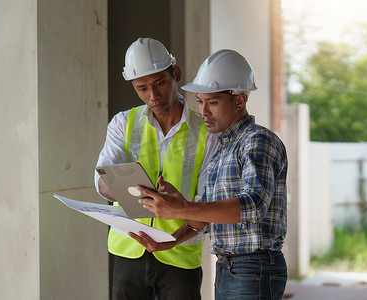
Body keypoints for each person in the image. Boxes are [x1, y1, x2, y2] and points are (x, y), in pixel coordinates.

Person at [137, 49, 288, 299]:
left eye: (213, 102)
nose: (204, 111)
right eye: (200, 101)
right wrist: (171, 239)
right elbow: (205, 217)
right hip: (230, 267)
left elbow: (253, 206)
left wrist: (182, 208)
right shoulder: (223, 148)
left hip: (253, 265)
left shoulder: (257, 140)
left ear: (239, 101)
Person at [94, 37, 219, 300]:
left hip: (179, 253)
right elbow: (102, 180)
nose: (153, 96)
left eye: (159, 83)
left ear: (176, 74)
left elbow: (208, 204)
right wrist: (132, 189)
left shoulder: (208, 134)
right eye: (142, 88)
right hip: (128, 250)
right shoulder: (122, 124)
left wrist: (175, 231)